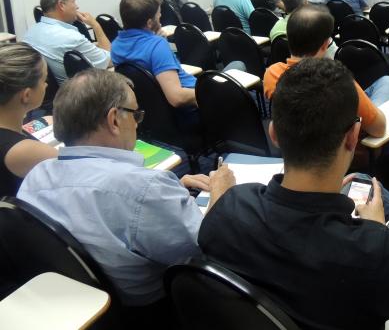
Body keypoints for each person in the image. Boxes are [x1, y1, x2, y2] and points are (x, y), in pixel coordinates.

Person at [199, 57, 389, 329]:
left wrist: (221, 196)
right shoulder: (376, 250)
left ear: (274, 134)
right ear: (353, 136)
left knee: (363, 183)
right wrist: (379, 232)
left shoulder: (228, 208)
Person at [18, 68, 235, 308]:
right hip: (156, 308)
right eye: (135, 114)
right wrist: (221, 192)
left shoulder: (35, 176)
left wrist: (169, 193)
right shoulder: (144, 189)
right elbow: (209, 245)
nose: (137, 124)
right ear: (113, 120)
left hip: (72, 303)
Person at [264, 6, 389, 138]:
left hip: (298, 147)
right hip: (354, 149)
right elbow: (379, 130)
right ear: (325, 44)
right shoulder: (338, 82)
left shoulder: (272, 73)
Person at [0, 43, 58, 196]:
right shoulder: (22, 152)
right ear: (26, 95)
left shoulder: (9, 128)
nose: (46, 85)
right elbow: (78, 169)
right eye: (44, 79)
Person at [23, 0, 111, 83]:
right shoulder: (72, 38)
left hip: (55, 93)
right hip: (80, 93)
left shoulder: (30, 32)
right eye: (73, 1)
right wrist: (95, 25)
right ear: (61, 5)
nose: (77, 6)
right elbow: (109, 60)